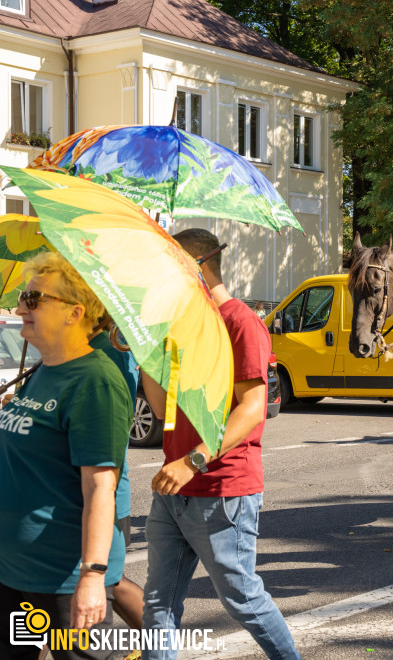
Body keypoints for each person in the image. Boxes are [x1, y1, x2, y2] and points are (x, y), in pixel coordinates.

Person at [140, 229, 300, 660]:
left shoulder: (240, 321)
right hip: (174, 491)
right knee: (158, 602)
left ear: (198, 265)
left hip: (222, 490)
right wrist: (146, 350)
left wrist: (193, 461)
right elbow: (159, 408)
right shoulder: (182, 327)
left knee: (242, 600)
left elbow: (252, 408)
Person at [0, 252, 132, 660]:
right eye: (24, 297)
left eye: (34, 299)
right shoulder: (44, 368)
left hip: (63, 577)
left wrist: (92, 577)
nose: (21, 306)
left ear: (75, 313)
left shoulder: (95, 382)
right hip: (15, 572)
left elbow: (99, 489)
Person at [90, 319, 145, 633]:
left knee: (109, 581)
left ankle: (161, 645)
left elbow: (108, 428)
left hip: (102, 495)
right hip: (69, 494)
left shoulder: (112, 348)